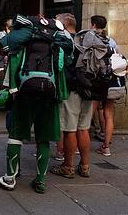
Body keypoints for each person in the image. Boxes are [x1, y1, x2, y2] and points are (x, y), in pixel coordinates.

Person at [0, 14, 72, 194]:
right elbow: (67, 61)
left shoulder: (21, 39)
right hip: (49, 94)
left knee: (16, 134)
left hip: (23, 92)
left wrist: (11, 88)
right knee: (43, 138)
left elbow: (4, 47)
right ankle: (41, 180)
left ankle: (10, 178)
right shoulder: (55, 39)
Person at [49, 13, 94, 179]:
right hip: (88, 90)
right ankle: (85, 166)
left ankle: (68, 166)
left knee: (69, 130)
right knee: (84, 129)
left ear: (65, 24)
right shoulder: (85, 40)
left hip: (71, 90)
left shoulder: (64, 41)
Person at [88, 15, 118, 157]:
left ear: (93, 25)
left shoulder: (90, 38)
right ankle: (106, 147)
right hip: (110, 80)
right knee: (109, 114)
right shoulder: (111, 41)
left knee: (88, 113)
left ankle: (79, 145)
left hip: (96, 80)